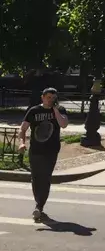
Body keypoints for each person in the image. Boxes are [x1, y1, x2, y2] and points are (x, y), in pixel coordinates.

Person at [18, 88, 69, 222]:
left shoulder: (60, 110)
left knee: (45, 178)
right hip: (35, 149)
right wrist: (21, 143)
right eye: (48, 97)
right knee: (36, 178)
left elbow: (64, 124)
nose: (51, 100)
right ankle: (38, 204)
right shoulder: (34, 111)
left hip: (51, 150)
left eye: (53, 98)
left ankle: (39, 206)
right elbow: (23, 129)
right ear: (42, 97)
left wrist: (56, 110)